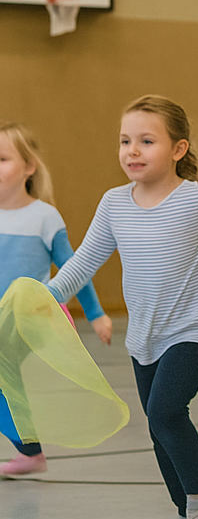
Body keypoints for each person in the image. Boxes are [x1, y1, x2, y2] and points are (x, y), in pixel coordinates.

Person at [47, 96, 198, 519]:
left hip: (197, 328)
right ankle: (183, 512)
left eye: (146, 141)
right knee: (158, 427)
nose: (132, 150)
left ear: (178, 149)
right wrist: (44, 298)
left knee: (166, 412)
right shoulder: (114, 203)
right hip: (144, 336)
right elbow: (83, 262)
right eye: (125, 141)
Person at [0, 123, 109, 477]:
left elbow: (75, 268)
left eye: (2, 159)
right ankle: (29, 451)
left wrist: (96, 314)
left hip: (30, 317)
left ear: (29, 167)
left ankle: (29, 450)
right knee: (5, 380)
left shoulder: (44, 217)